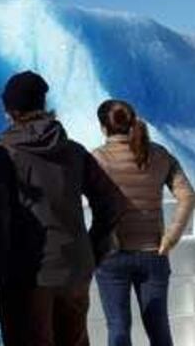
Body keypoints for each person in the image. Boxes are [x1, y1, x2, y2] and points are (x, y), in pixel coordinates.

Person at [0, 71, 127, 346]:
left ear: (10, 109)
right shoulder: (73, 150)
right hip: (74, 269)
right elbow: (112, 202)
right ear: (42, 104)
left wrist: (1, 267)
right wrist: (92, 249)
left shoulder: (2, 153)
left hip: (26, 275)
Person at [92, 99, 194, 346]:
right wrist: (171, 237)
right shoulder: (159, 154)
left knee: (118, 328)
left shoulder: (98, 158)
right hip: (154, 253)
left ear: (104, 127)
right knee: (159, 329)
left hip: (112, 255)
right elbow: (187, 195)